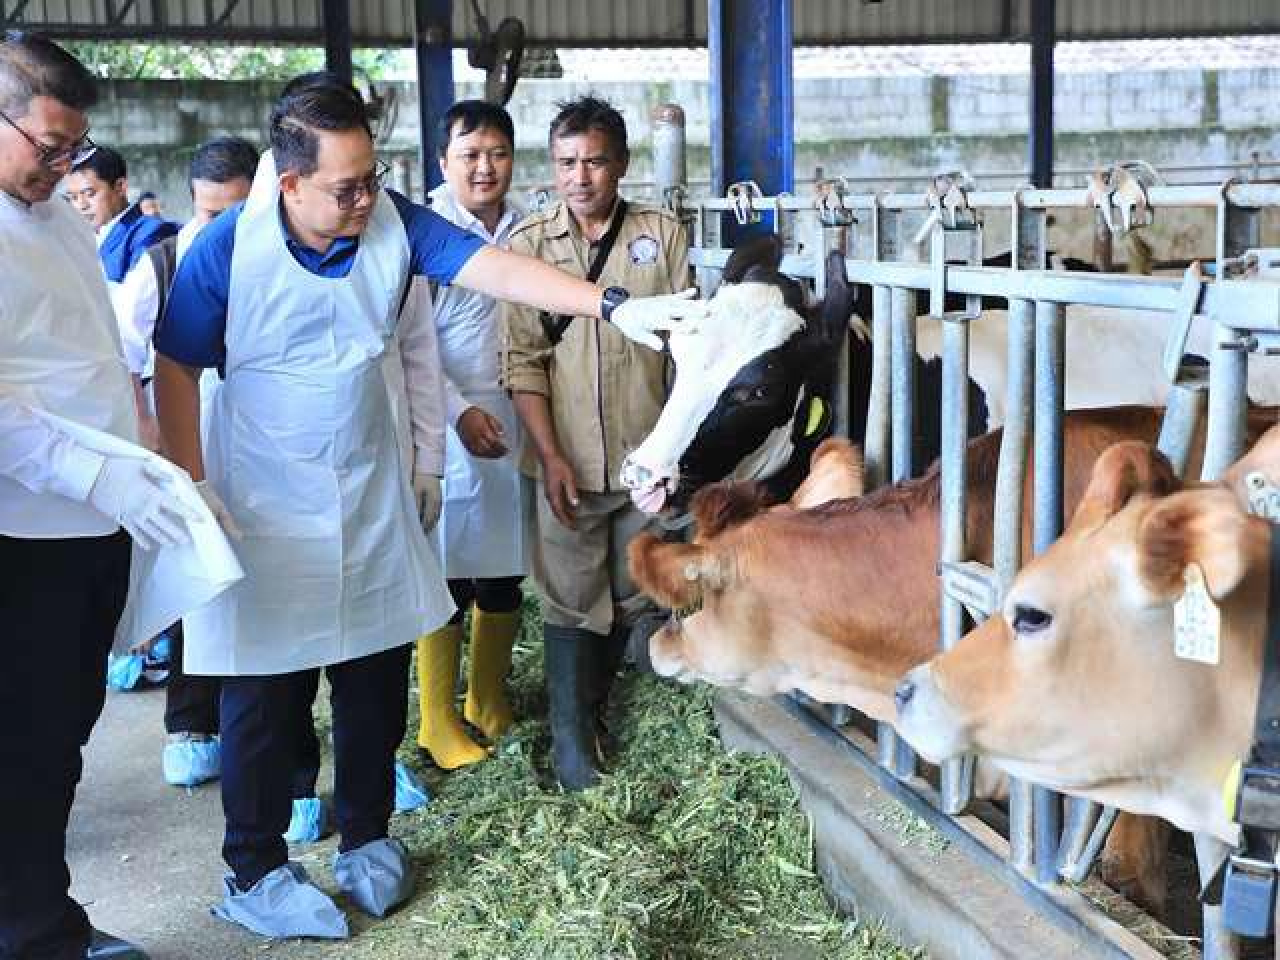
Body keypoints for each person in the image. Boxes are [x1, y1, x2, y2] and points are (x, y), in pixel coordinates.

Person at [153, 72, 703, 939]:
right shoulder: (226, 247)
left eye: (373, 176)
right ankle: (255, 867)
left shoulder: (392, 223)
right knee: (266, 689)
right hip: (262, 493)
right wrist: (188, 481)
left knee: (373, 675)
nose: (367, 197)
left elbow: (497, 268)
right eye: (347, 186)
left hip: (368, 485)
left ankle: (369, 838)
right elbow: (176, 362)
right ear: (289, 182)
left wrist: (610, 303)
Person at [0, 31, 197, 960]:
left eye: (74, 149)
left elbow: (97, 361)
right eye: (48, 146)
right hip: (22, 531)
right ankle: (32, 932)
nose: (64, 166)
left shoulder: (56, 217)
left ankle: (46, 913)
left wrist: (147, 458)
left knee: (65, 732)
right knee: (26, 742)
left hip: (94, 520)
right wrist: (99, 471)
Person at [500, 95, 691, 791]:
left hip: (646, 458)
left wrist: (674, 457)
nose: (579, 177)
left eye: (594, 162)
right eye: (566, 162)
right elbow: (522, 362)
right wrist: (550, 457)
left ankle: (598, 714)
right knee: (569, 596)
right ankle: (572, 744)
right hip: (567, 460)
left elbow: (683, 354)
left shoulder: (661, 235)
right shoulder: (527, 245)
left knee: (630, 590)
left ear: (622, 164)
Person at [114, 135, 260, 789]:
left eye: (235, 209)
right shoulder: (164, 262)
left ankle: (257, 720)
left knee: (255, 590)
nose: (220, 225)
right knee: (196, 585)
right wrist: (149, 432)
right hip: (185, 446)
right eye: (207, 211)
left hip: (257, 447)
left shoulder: (281, 256)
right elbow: (123, 353)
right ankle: (190, 721)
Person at [414, 99, 526, 770]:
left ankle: (487, 699)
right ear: (443, 161)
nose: (485, 168)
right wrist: (457, 411)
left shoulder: (526, 226)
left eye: (497, 153)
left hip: (514, 417)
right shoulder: (425, 232)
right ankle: (435, 719)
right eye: (470, 155)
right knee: (448, 571)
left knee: (505, 567)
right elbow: (412, 344)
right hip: (447, 419)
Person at [65, 145, 178, 451]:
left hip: (142, 375)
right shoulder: (80, 236)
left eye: (89, 193)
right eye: (72, 198)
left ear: (120, 186)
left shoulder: (152, 232)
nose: (81, 205)